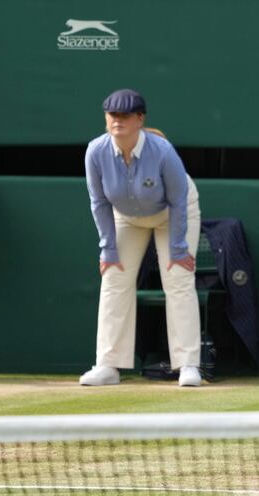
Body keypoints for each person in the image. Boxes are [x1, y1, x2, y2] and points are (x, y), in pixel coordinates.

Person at [80, 89, 203, 387]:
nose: (117, 120)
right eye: (112, 115)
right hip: (127, 217)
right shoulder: (95, 152)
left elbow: (177, 200)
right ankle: (108, 365)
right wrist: (107, 249)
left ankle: (188, 365)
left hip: (173, 212)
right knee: (113, 279)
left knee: (178, 277)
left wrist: (177, 249)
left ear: (139, 119)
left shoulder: (162, 151)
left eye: (125, 115)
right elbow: (99, 203)